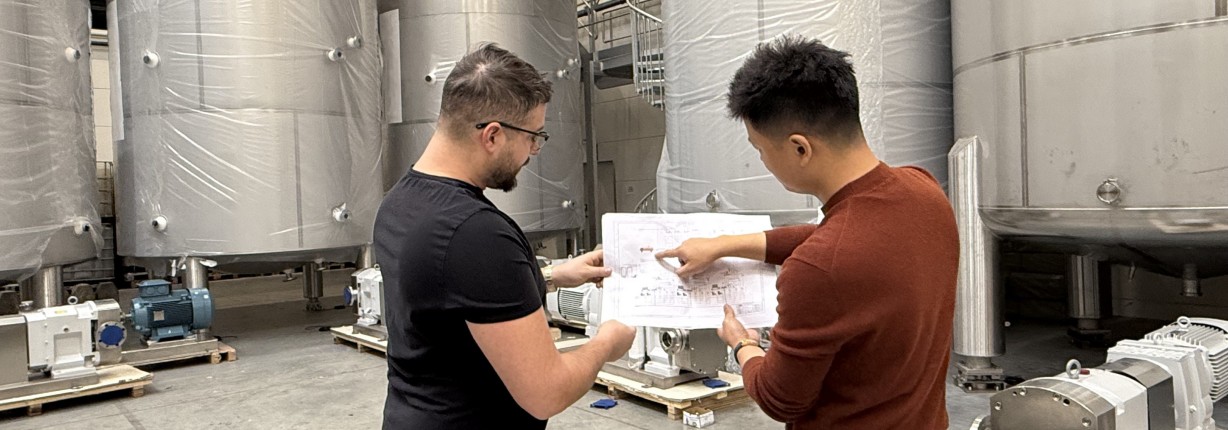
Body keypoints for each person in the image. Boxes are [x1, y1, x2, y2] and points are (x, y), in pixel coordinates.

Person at [655, 35, 959, 429]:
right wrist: (722, 245)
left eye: (759, 148)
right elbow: (828, 237)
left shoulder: (818, 270)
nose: (763, 161)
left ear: (800, 148)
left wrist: (742, 343)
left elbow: (779, 398)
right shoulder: (924, 190)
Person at [373, 43, 636, 429]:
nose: (533, 151)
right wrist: (606, 342)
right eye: (533, 136)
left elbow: (450, 295)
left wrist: (551, 275)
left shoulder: (399, 202)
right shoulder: (475, 233)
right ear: (492, 136)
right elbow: (546, 392)